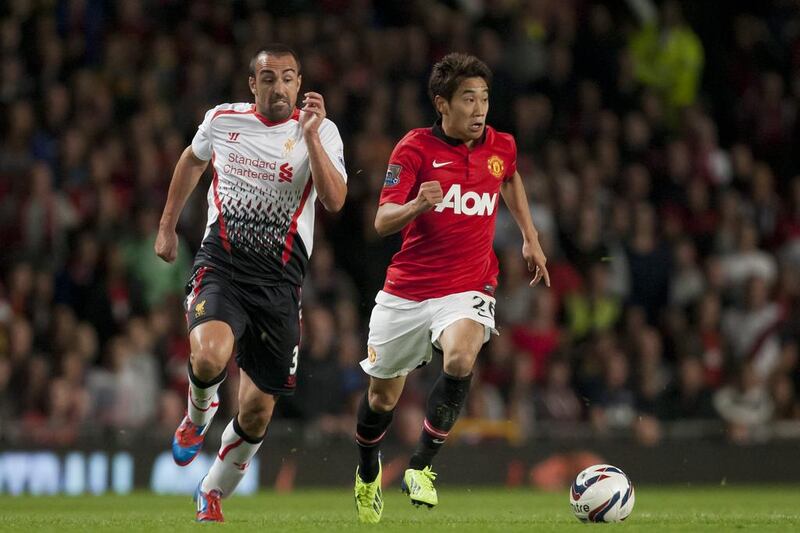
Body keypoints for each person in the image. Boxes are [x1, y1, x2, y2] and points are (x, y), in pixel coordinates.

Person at [353, 53, 549, 523]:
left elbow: (510, 178)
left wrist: (530, 236)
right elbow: (381, 221)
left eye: (484, 98)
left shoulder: (501, 145)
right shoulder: (414, 150)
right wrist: (417, 204)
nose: (479, 109)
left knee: (462, 355)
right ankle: (365, 474)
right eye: (468, 99)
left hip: (469, 284)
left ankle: (420, 467)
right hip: (408, 290)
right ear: (443, 104)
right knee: (382, 398)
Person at [155, 44, 347, 522]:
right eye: (268, 78)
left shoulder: (322, 132)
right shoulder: (223, 120)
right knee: (208, 354)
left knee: (258, 411)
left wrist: (312, 139)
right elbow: (192, 161)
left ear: (299, 84)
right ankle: (198, 416)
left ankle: (212, 489)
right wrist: (166, 226)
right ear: (252, 84)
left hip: (280, 286)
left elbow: (335, 199)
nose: (278, 87)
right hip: (222, 266)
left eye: (287, 78)